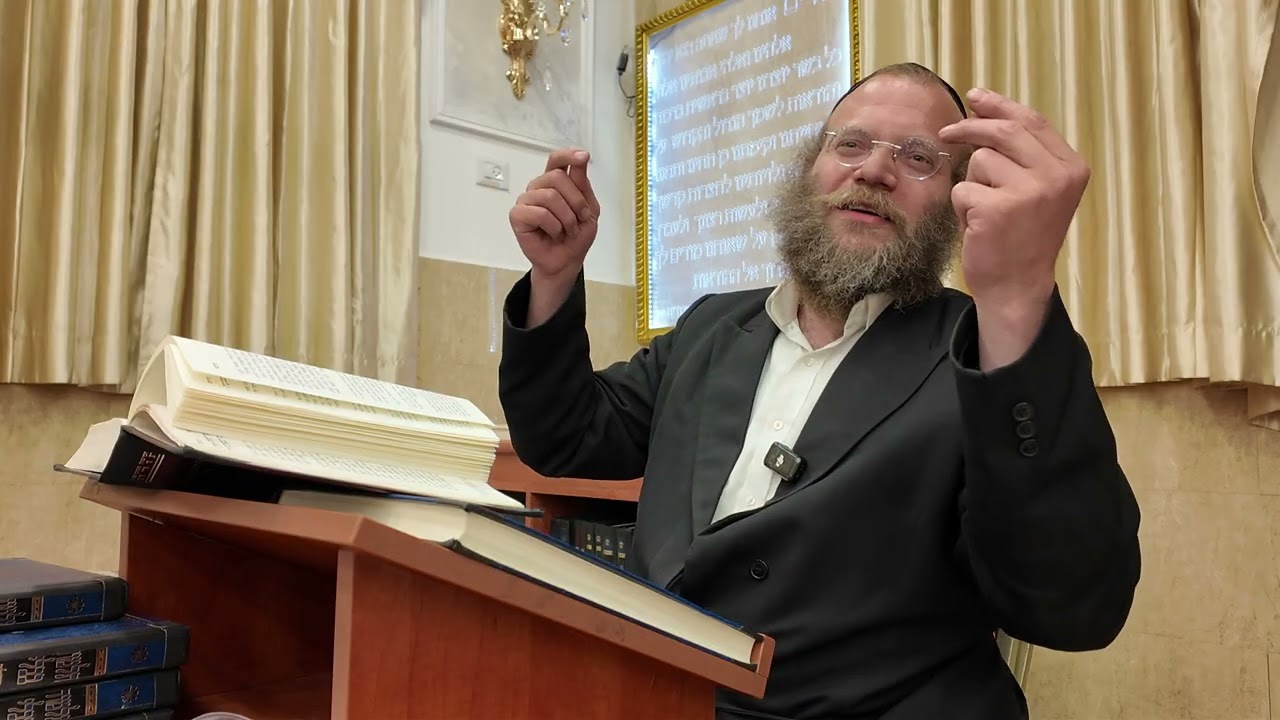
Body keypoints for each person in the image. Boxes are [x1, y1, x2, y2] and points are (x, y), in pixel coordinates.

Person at [497, 62, 1141, 720]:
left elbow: (1073, 605)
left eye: (918, 157)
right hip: (662, 695)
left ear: (958, 200)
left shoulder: (987, 356)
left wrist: (1016, 294)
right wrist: (554, 277)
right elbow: (567, 438)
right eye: (851, 144)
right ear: (811, 170)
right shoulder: (713, 326)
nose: (874, 170)